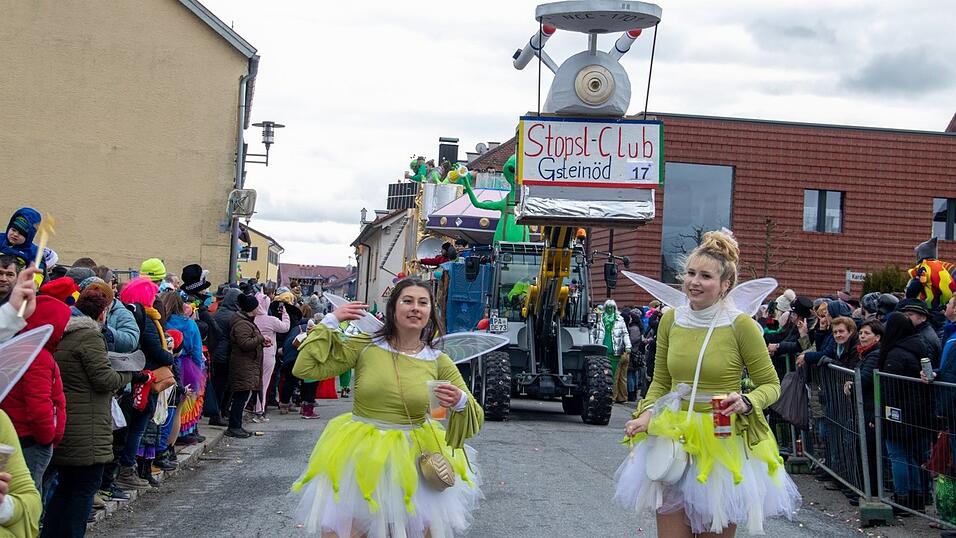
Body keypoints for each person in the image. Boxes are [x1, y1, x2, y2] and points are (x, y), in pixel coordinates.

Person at [616, 230, 799, 536]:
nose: (694, 282)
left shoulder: (741, 325)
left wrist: (746, 401)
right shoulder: (671, 320)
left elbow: (770, 384)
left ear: (726, 284)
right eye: (690, 273)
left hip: (721, 438)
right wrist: (645, 413)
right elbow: (660, 382)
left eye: (705, 276)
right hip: (674, 436)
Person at [291, 278, 483, 537]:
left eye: (423, 303)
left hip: (414, 459)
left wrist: (459, 400)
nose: (415, 308)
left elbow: (475, 414)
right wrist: (331, 321)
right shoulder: (366, 345)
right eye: (408, 301)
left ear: (430, 312)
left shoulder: (438, 360)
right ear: (393, 308)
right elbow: (305, 369)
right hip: (361, 455)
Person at [43, 287, 143, 537]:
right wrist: (129, 373)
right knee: (84, 489)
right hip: (86, 427)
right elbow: (104, 380)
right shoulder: (90, 336)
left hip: (67, 421)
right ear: (103, 313)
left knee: (65, 489)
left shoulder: (64, 334)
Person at [0, 296, 69, 499]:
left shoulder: (24, 348)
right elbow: (38, 403)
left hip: (21, 434)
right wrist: (47, 437)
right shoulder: (38, 357)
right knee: (30, 495)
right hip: (31, 439)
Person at [878, 312, 935, 511]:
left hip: (899, 411)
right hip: (917, 411)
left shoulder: (895, 353)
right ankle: (917, 497)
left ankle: (902, 496)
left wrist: (881, 412)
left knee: (898, 455)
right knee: (912, 456)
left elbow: (889, 388)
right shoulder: (918, 346)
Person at [226, 293, 267, 438]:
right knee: (240, 396)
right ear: (252, 308)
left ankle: (237, 425)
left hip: (247, 364)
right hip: (243, 365)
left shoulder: (245, 321)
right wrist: (260, 338)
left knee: (242, 396)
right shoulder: (242, 324)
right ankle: (234, 426)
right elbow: (244, 344)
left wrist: (261, 342)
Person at [252, 293, 289, 420]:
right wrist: (285, 314)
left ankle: (246, 407)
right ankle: (259, 409)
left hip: (252, 353)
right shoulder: (271, 320)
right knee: (264, 382)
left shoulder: (251, 319)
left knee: (250, 382)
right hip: (268, 354)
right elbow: (285, 327)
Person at [593, 299, 630, 404]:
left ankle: (610, 396)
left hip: (615, 351)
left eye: (612, 307)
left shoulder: (619, 319)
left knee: (613, 375)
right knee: (602, 374)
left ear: (614, 308)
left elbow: (625, 333)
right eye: (608, 307)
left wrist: (628, 345)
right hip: (601, 349)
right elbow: (593, 332)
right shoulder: (599, 318)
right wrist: (592, 344)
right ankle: (603, 394)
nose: (610, 309)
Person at [896, 298, 942, 368]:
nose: (906, 318)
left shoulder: (924, 339)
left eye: (910, 314)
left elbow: (926, 366)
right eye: (905, 315)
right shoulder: (918, 332)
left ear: (923, 318)